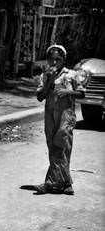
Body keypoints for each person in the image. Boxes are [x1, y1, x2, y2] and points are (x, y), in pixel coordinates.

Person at [32, 44, 87, 195]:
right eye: (51, 59)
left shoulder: (72, 75)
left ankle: (49, 184)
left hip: (66, 115)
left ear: (64, 60)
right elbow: (40, 97)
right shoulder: (45, 75)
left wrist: (68, 91)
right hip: (50, 115)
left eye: (58, 59)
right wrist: (49, 80)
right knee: (52, 146)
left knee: (61, 146)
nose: (54, 62)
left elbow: (82, 93)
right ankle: (66, 183)